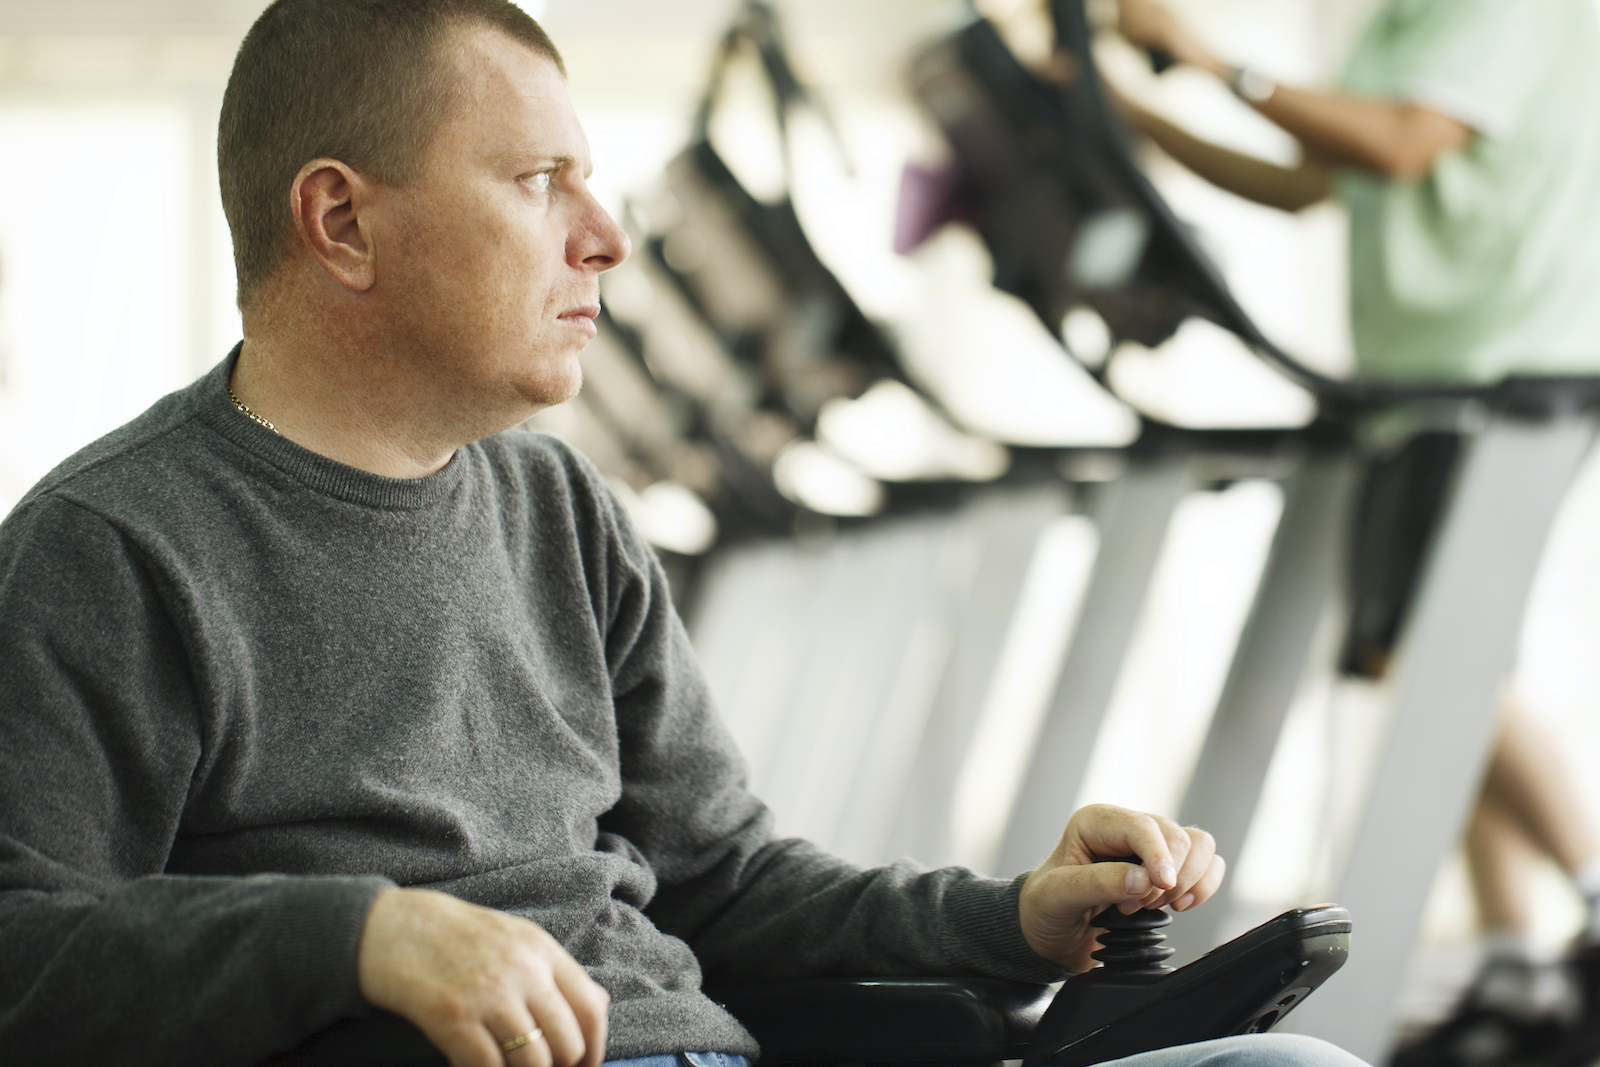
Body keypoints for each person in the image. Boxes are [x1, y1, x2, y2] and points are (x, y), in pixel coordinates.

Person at [0, 3, 1347, 1067]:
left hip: (716, 1040)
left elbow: (725, 879)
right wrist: (356, 935)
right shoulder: (110, 545)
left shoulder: (563, 511)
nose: (605, 238)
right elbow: (22, 953)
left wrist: (1010, 917)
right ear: (343, 221)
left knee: (1296, 1065)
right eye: (540, 182)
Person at [1106, 2, 1600, 1065]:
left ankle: (1592, 897)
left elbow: (1406, 144)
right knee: (1428, 671)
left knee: (1441, 658)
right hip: (1420, 381)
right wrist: (1130, 113)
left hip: (1496, 369)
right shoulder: (1393, 26)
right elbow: (1309, 180)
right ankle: (1517, 968)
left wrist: (1203, 57)